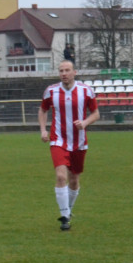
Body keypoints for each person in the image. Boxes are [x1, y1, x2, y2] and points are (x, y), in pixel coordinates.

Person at [38, 60, 100, 231]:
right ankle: (64, 217)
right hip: (58, 140)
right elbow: (43, 110)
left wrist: (85, 122)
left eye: (67, 70)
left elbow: (96, 113)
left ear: (75, 72)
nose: (63, 73)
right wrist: (43, 130)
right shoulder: (51, 91)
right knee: (61, 177)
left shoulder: (85, 91)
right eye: (61, 71)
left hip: (79, 141)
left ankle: (68, 210)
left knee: (74, 180)